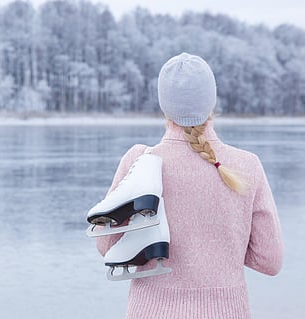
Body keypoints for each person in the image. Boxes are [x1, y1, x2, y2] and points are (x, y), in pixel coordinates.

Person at [95, 52, 283, 319]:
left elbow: (107, 246)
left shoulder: (141, 162)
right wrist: (221, 248)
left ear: (164, 104)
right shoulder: (246, 165)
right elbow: (269, 261)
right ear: (212, 101)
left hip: (151, 311)